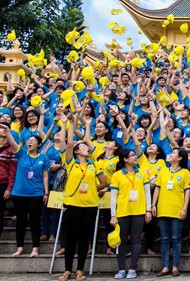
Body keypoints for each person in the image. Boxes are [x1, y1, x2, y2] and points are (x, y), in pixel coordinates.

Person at [60, 114, 108, 281]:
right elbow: (70, 142)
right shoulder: (71, 163)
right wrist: (68, 124)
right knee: (70, 239)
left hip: (90, 206)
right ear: (76, 151)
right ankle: (67, 270)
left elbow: (104, 182)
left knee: (84, 239)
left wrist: (93, 190)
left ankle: (80, 270)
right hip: (72, 205)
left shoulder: (94, 165)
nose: (87, 149)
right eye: (83, 147)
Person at [3, 129, 49, 257]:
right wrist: (7, 132)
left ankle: (35, 248)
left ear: (38, 144)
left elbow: (45, 176)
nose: (29, 142)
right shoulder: (21, 154)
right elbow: (12, 143)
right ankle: (19, 248)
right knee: (20, 221)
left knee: (34, 220)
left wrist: (46, 192)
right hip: (19, 193)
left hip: (36, 193)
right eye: (28, 141)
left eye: (33, 141)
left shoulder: (44, 158)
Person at [109, 148, 152, 279]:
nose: (135, 157)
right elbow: (113, 196)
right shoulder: (117, 175)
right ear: (125, 159)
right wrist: (113, 214)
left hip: (138, 211)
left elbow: (147, 192)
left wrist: (148, 210)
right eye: (132, 155)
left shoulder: (142, 173)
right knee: (121, 241)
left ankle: (133, 268)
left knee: (136, 240)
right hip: (122, 212)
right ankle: (121, 269)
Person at [152, 148, 190, 277]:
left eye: (173, 153)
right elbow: (157, 189)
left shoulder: (185, 173)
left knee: (176, 238)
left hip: (177, 210)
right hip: (162, 209)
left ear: (179, 158)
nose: (170, 154)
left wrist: (184, 208)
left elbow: (187, 192)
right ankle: (164, 266)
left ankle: (175, 266)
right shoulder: (163, 171)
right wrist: (153, 205)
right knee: (164, 239)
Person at [0, 123, 17, 240]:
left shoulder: (11, 149)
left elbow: (12, 170)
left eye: (3, 128)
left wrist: (9, 188)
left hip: (2, 183)